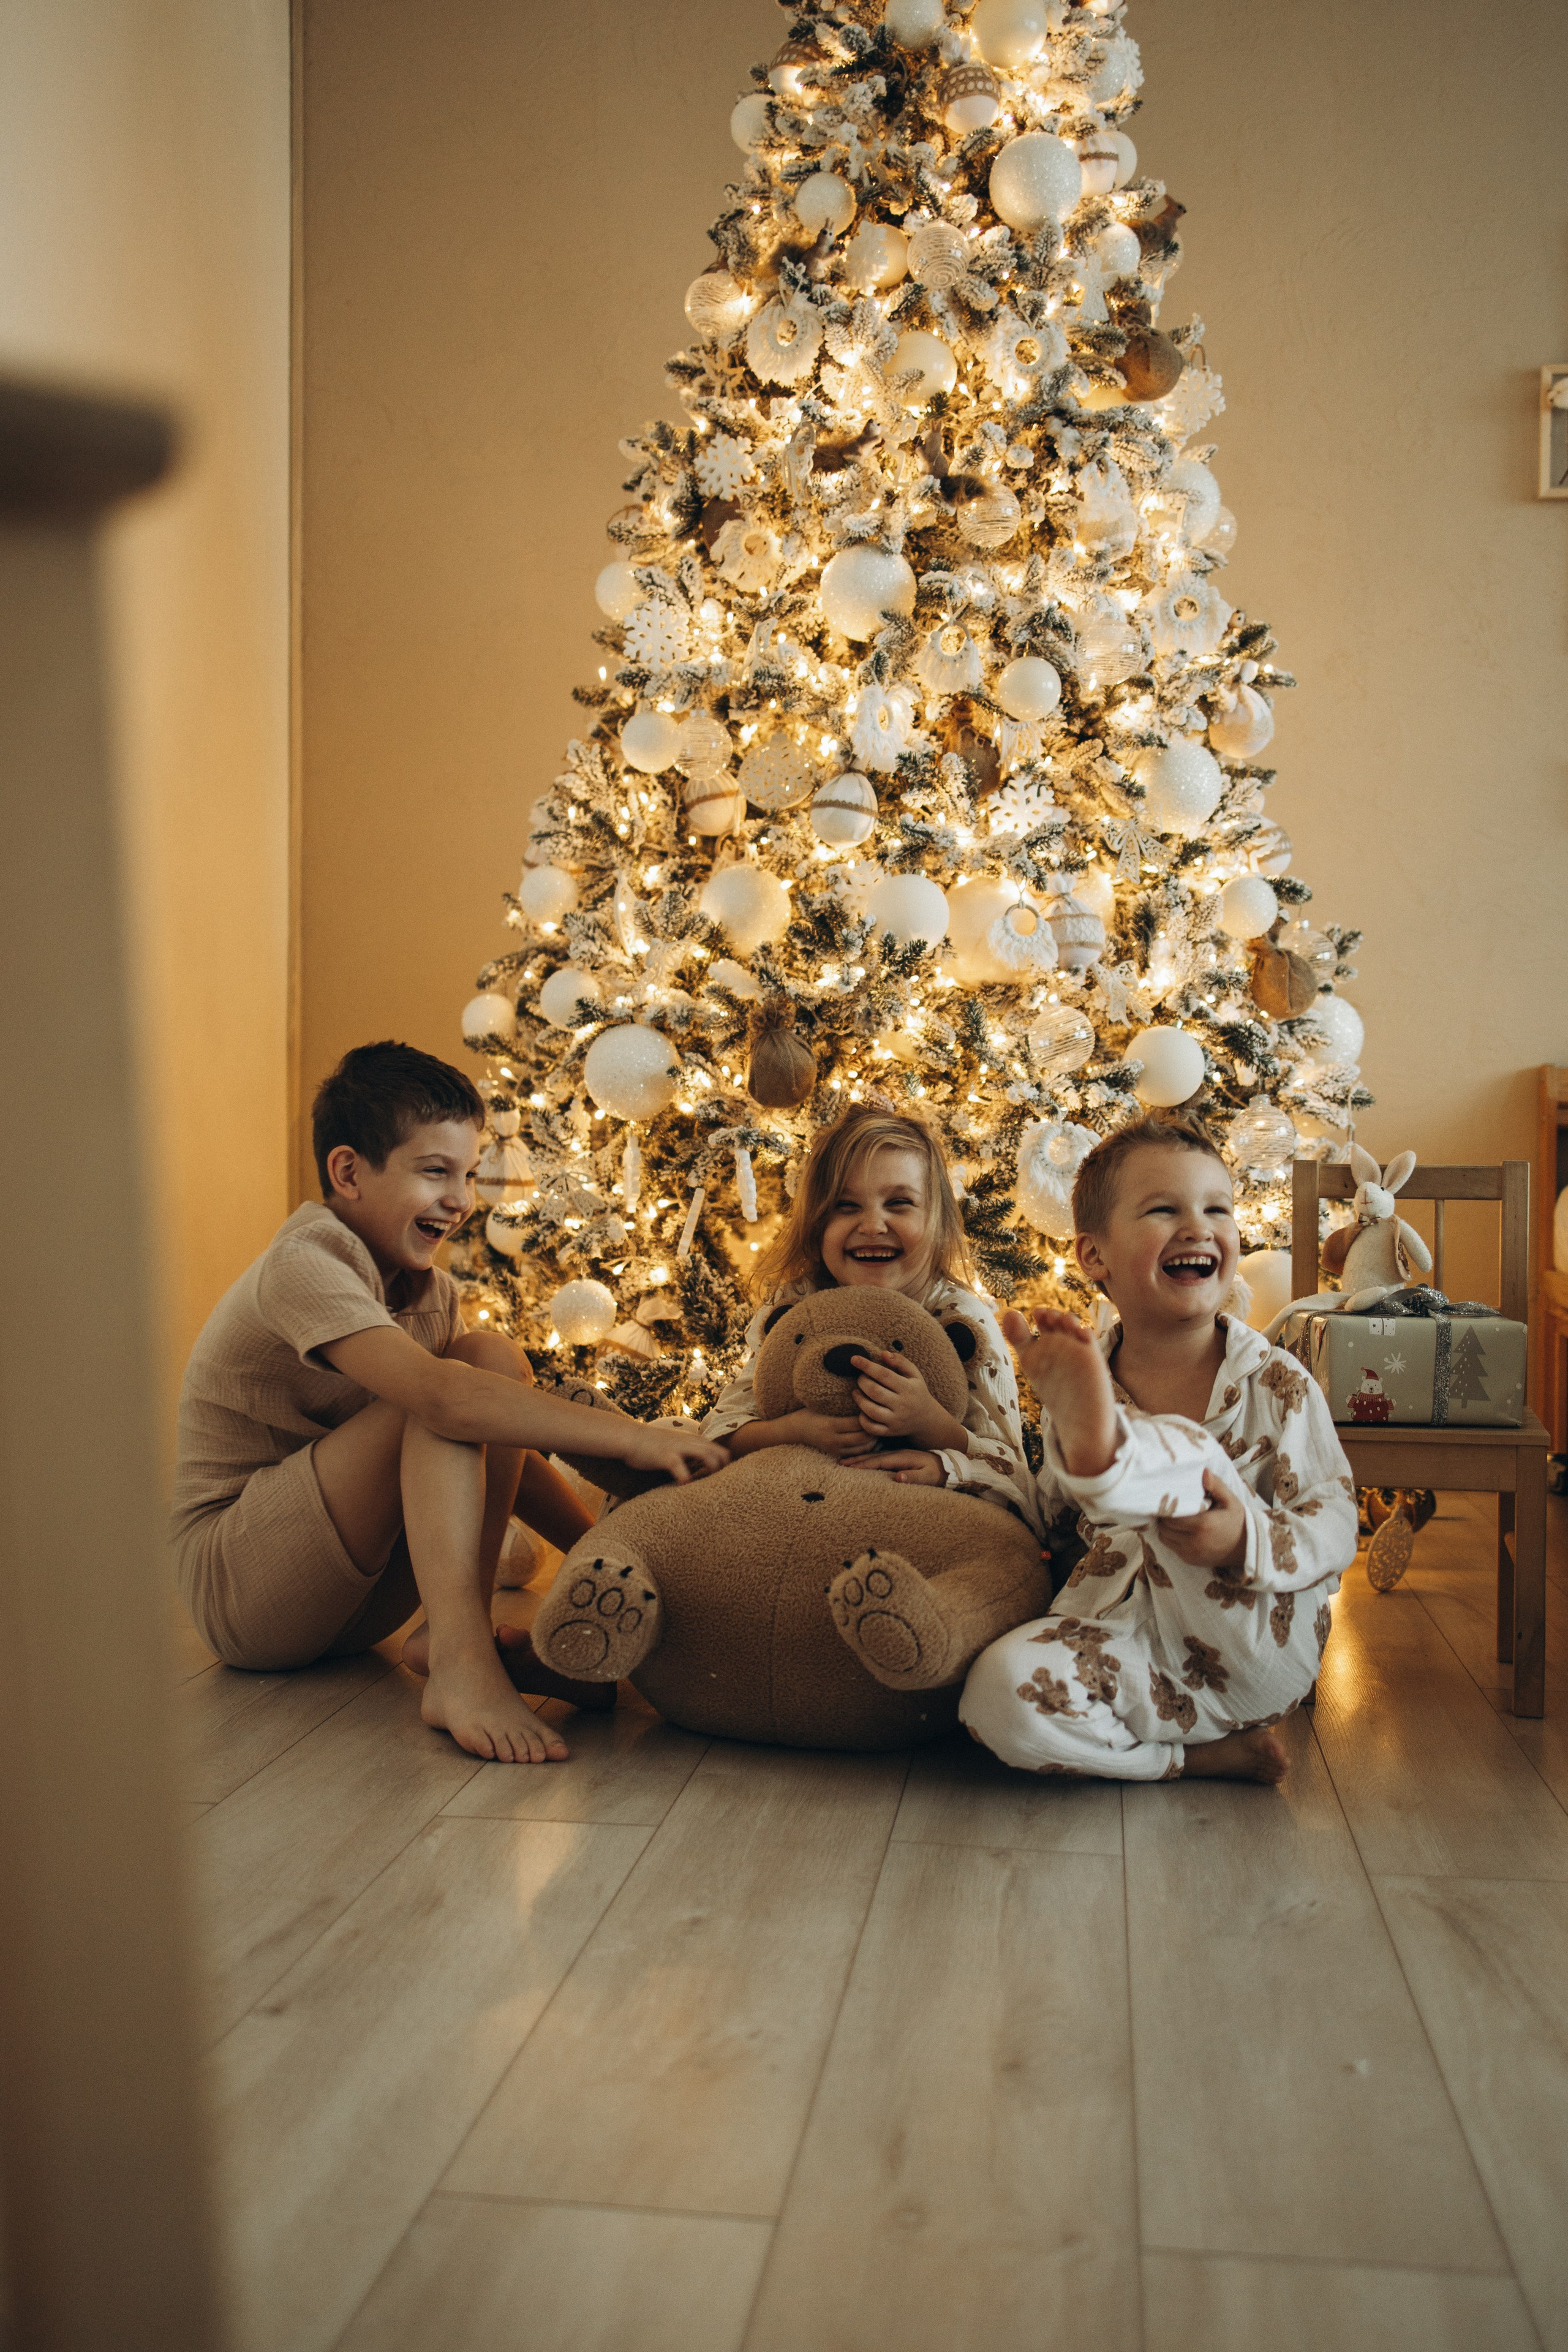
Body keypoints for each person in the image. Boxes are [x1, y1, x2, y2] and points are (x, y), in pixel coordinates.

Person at [172, 1041, 726, 1765]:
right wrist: (634, 1438)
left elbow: (495, 1443)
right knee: (450, 1391)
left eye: (467, 1174)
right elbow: (445, 1403)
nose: (462, 1199)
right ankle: (464, 1662)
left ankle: (454, 1639)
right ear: (348, 1172)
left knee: (488, 1359)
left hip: (358, 1597)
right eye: (435, 1172)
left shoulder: (429, 1293)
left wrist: (607, 1549)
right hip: (245, 1590)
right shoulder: (302, 1263)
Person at [960, 1114, 1357, 1784]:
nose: (1199, 1227)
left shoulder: (1276, 1382)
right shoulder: (1083, 1384)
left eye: (1217, 1209)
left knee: (1191, 1455)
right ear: (1095, 1257)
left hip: (1252, 1645)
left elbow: (1337, 1518)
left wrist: (1245, 1540)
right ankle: (1187, 1759)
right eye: (1164, 1210)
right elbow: (1052, 1527)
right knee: (995, 1695)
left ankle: (1117, 1459)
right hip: (1127, 1648)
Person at [703, 1102, 1042, 1534]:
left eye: (899, 1203)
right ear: (816, 1225)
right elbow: (719, 1431)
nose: (873, 1225)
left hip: (916, 1522)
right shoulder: (797, 1305)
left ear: (937, 1224)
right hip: (797, 1512)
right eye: (846, 1206)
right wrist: (794, 1430)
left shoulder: (962, 1319)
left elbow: (1015, 1476)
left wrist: (932, 1429)